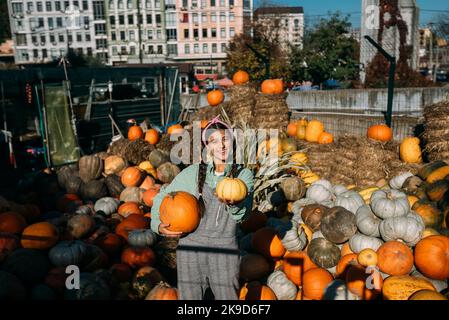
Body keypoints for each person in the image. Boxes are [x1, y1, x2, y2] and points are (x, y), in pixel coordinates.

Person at [150, 116, 254, 300]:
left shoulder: (242, 175)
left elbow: (242, 216)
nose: (221, 145)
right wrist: (157, 224)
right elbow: (163, 196)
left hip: (224, 249)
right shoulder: (195, 173)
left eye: (225, 139)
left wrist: (235, 204)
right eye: (214, 141)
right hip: (191, 248)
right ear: (208, 147)